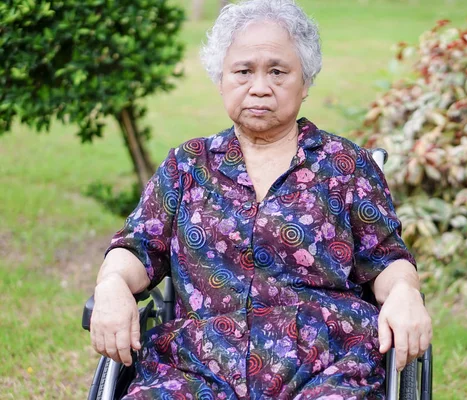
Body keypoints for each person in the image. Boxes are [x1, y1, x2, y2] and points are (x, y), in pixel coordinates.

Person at [90, 0, 432, 398]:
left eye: (277, 71)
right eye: (243, 71)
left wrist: (406, 291)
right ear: (221, 79)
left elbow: (387, 260)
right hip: (198, 365)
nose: (259, 87)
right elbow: (136, 247)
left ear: (304, 83)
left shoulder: (345, 165)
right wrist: (112, 284)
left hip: (326, 364)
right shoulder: (187, 165)